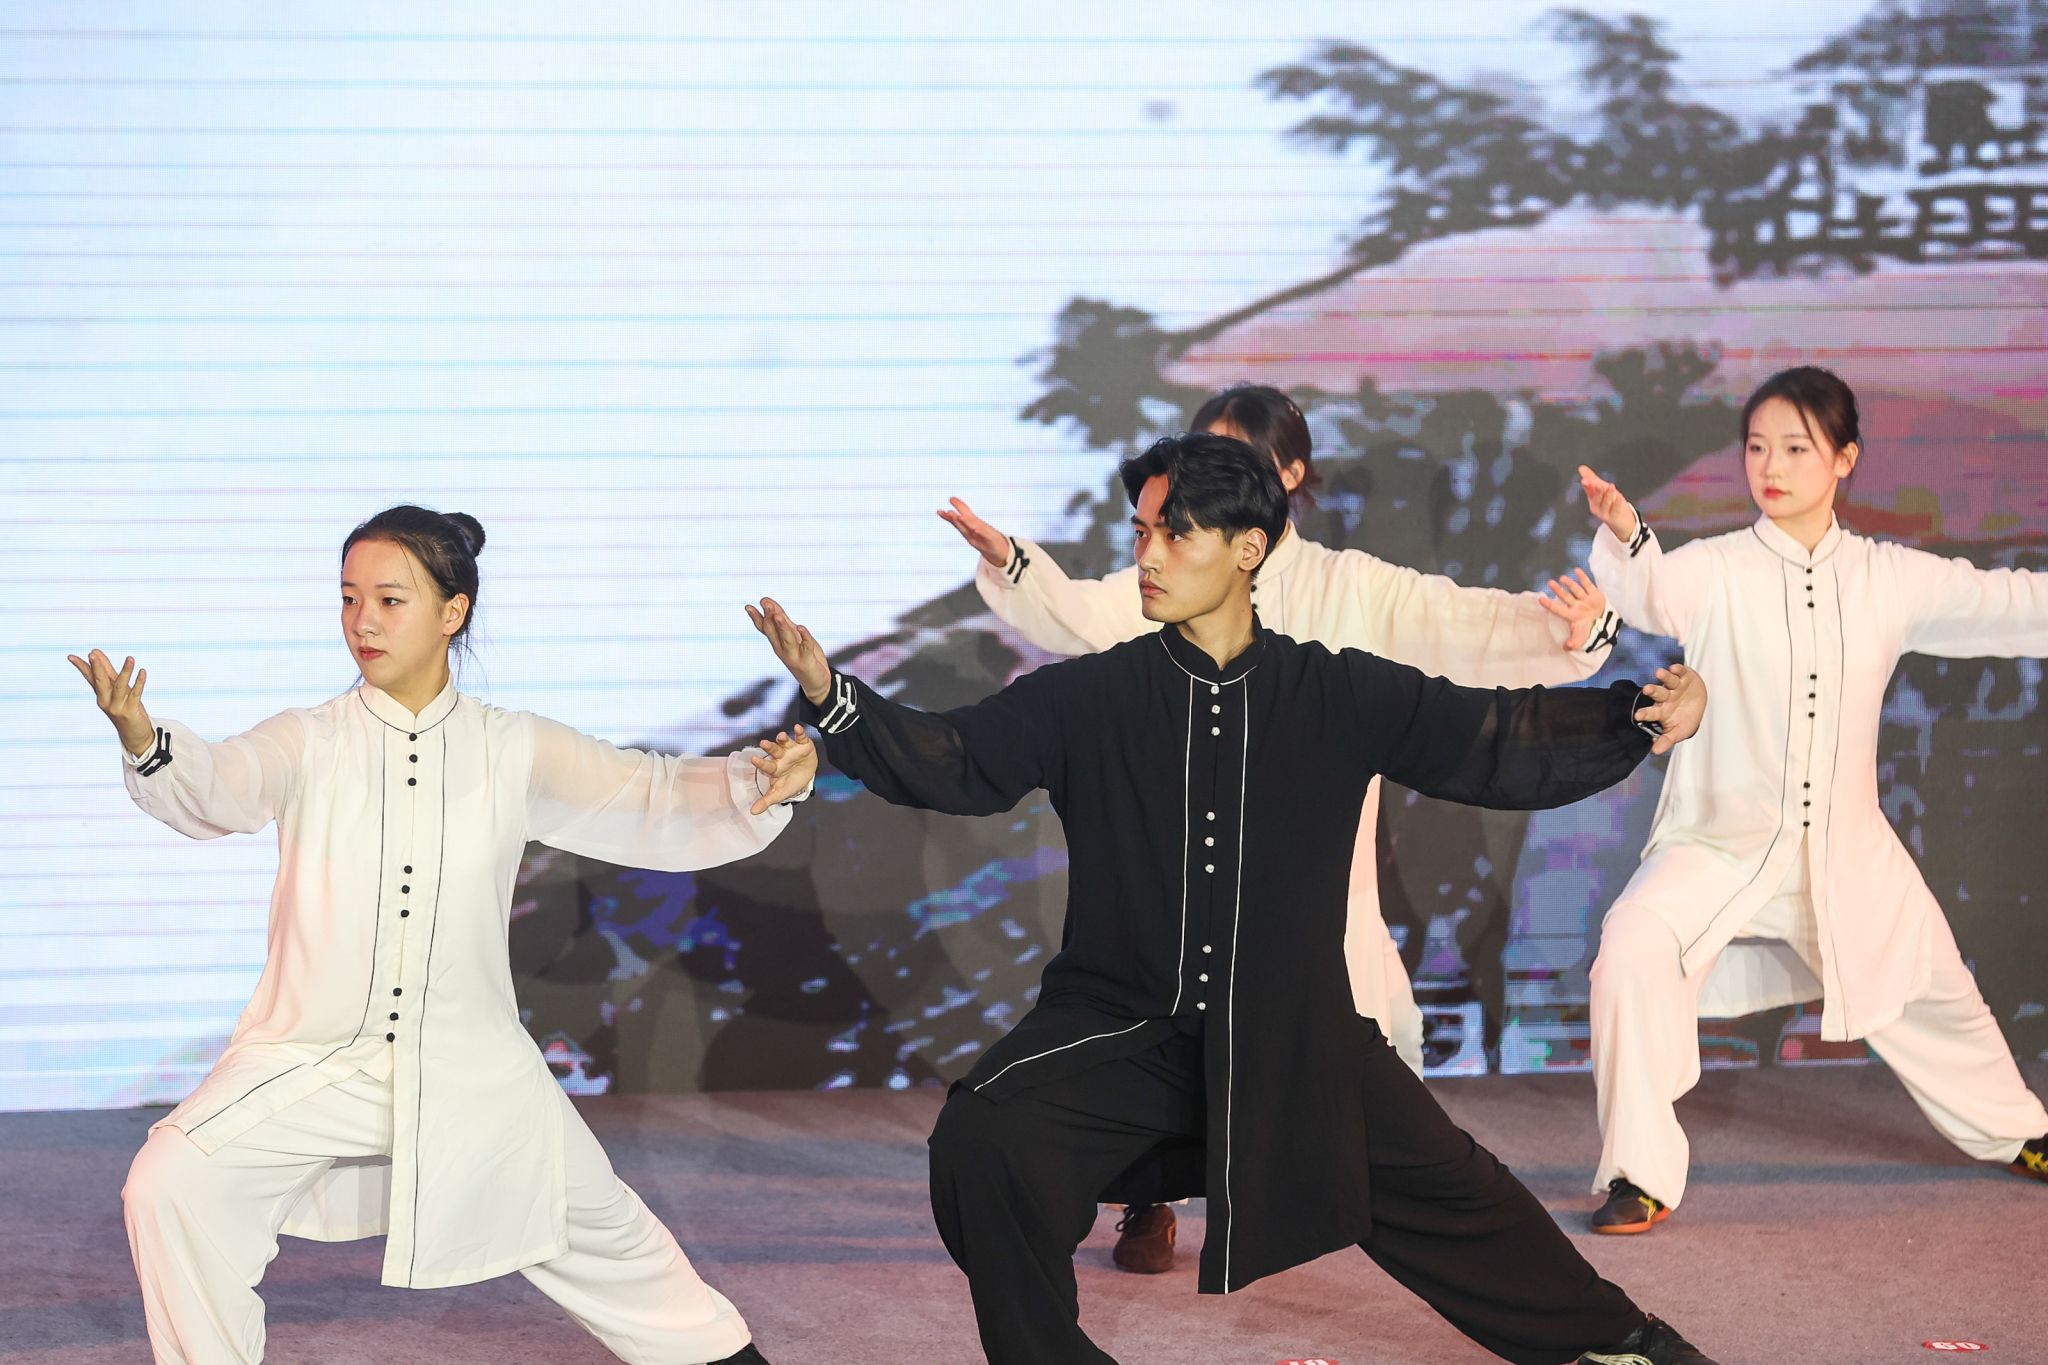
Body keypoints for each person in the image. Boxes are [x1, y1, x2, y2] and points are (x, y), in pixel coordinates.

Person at [751, 432, 1718, 1365]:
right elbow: (960, 757)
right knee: (983, 1137)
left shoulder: (1332, 691)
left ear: (1249, 547)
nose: (1148, 555)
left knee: (1470, 1201)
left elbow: (1491, 734)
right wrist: (836, 699)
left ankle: (1622, 1344)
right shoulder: (1091, 696)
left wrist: (1639, 715)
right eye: (1140, 533)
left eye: (1175, 534)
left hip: (1296, 1037)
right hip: (1120, 1032)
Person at [71, 505, 811, 1364]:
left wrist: (764, 780)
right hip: (316, 1060)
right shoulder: (308, 739)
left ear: (452, 612)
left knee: (619, 1249)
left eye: (390, 600)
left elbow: (644, 792)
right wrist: (147, 739)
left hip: (476, 1066)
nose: (363, 621)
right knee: (171, 1183)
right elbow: (223, 782)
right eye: (349, 598)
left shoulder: (512, 746)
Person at [942, 384, 1619, 1269]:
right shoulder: (1174, 567)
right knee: (1150, 1028)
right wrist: (1018, 566)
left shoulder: (1353, 586)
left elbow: (1458, 618)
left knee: (1369, 1056)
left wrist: (1568, 632)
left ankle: (1335, 1205)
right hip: (1180, 876)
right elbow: (1085, 612)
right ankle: (1146, 1191)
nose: (1213, 474)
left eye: (1239, 457)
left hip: (1314, 889)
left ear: (1290, 475)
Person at [1577, 366, 2048, 1236]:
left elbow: (2006, 603)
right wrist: (1627, 530)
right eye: (1758, 447)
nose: (1772, 466)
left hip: (1848, 851)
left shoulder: (1886, 577)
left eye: (1796, 448)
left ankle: (2019, 1131)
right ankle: (1639, 1172)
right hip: (1718, 845)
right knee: (1631, 948)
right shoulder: (1716, 568)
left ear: (1845, 458)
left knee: (1936, 991)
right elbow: (1649, 592)